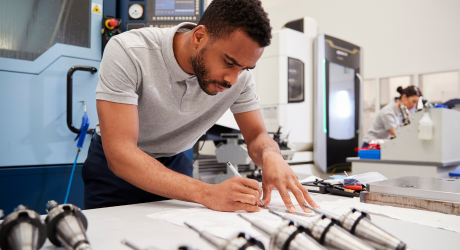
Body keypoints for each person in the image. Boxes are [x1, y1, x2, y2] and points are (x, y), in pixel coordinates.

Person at [82, 0, 319, 213]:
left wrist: (271, 155)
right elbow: (121, 153)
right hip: (115, 169)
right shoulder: (129, 51)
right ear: (199, 37)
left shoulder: (240, 78)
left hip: (175, 161)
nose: (233, 80)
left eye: (244, 68)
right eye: (228, 62)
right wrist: (207, 193)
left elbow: (257, 135)